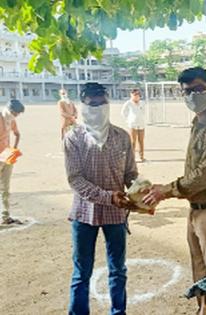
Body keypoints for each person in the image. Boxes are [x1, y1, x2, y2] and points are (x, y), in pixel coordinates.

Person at [142, 67, 206, 313]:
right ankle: (204, 310)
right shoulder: (199, 122)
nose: (192, 95)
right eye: (187, 91)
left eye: (198, 89)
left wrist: (166, 190)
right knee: (200, 275)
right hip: (197, 211)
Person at [64, 83, 138, 315]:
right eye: (91, 104)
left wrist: (141, 193)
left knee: (118, 270)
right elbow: (75, 179)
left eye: (101, 103)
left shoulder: (122, 137)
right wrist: (109, 197)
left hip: (116, 215)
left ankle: (118, 312)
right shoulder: (74, 137)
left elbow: (130, 174)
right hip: (84, 214)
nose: (97, 108)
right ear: (82, 106)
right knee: (81, 272)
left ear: (108, 104)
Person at [0, 100, 24, 225]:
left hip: (6, 156)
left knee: (5, 188)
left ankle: (5, 216)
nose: (15, 116)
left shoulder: (12, 120)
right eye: (15, 113)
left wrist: (13, 149)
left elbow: (17, 134)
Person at [121, 88, 146, 161]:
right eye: (135, 94)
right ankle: (132, 158)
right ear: (131, 95)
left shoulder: (142, 103)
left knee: (141, 141)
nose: (136, 96)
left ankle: (141, 156)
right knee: (133, 142)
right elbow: (123, 112)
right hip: (132, 124)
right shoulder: (128, 103)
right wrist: (128, 120)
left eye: (138, 94)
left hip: (141, 124)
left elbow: (143, 112)